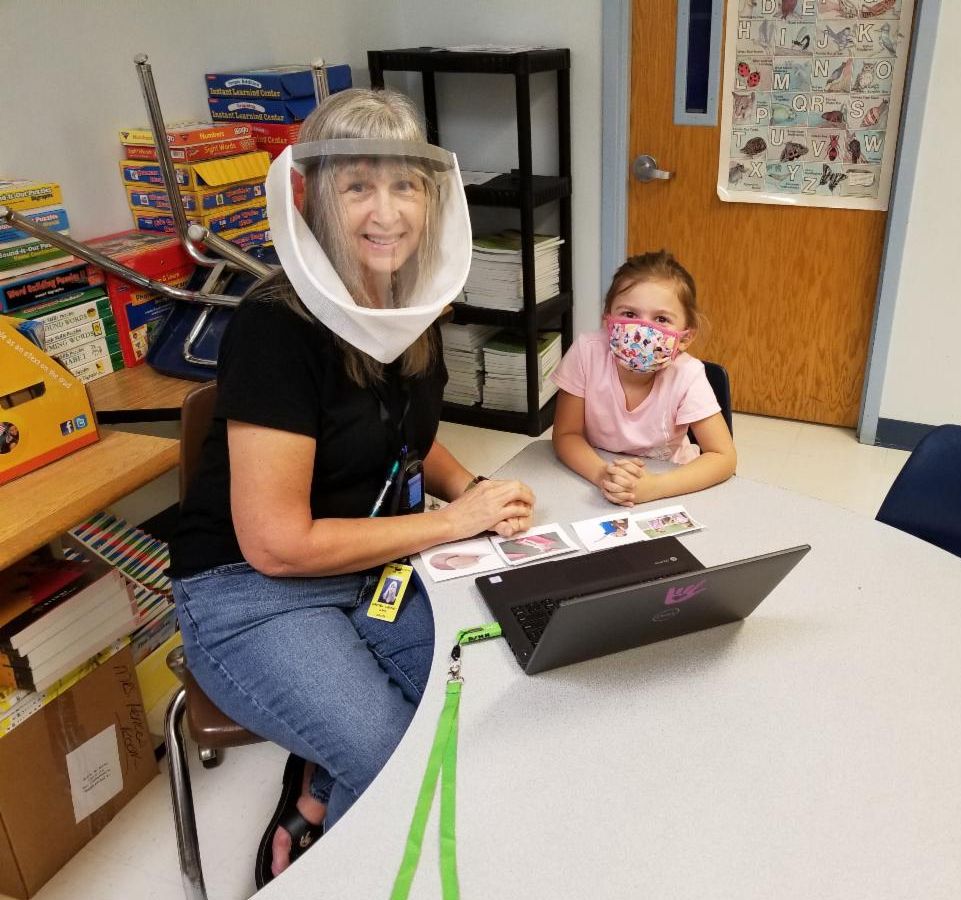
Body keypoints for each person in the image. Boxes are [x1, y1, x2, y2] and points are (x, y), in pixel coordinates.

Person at [167, 88, 536, 887]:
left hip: (367, 562)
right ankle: (318, 845)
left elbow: (403, 434)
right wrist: (451, 523)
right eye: (357, 184)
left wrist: (474, 490)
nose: (387, 212)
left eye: (405, 184)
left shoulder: (409, 306)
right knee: (394, 753)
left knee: (478, 702)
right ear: (311, 197)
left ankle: (314, 790)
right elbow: (277, 543)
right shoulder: (275, 327)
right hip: (250, 588)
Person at [550, 250, 736, 506]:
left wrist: (653, 488)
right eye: (629, 314)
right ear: (608, 319)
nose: (642, 331)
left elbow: (723, 456)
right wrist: (603, 475)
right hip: (597, 478)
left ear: (685, 338)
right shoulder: (586, 352)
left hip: (671, 485)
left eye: (661, 319)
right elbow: (566, 434)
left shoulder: (688, 375)